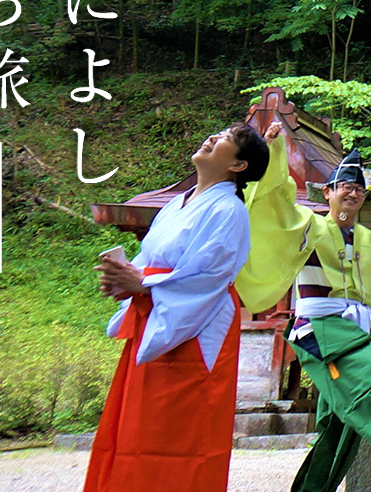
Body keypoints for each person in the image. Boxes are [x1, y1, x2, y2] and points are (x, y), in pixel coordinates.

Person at [236, 121, 371, 492]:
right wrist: (275, 151)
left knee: (343, 427)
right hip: (321, 329)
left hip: (359, 333)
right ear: (327, 192)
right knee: (363, 380)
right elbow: (277, 205)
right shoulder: (309, 226)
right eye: (344, 186)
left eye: (359, 189)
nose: (352, 193)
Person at [83, 124, 268, 492]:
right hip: (156, 315)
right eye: (217, 132)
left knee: (181, 433)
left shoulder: (229, 210)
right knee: (136, 428)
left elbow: (210, 276)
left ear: (238, 165)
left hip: (194, 325)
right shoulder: (175, 204)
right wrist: (124, 279)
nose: (213, 137)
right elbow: (149, 260)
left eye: (226, 139)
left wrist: (144, 284)